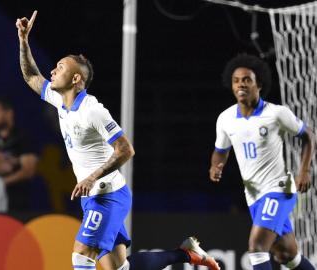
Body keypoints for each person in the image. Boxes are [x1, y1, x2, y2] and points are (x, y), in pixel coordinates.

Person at [16, 10, 220, 270]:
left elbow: (126, 149)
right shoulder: (59, 100)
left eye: (61, 67)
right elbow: (31, 76)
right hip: (94, 197)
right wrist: (24, 41)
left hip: (107, 196)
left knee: (81, 257)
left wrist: (92, 177)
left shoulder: (92, 110)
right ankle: (186, 254)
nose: (53, 70)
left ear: (76, 79)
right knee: (121, 268)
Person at [209, 53, 315, 270]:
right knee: (286, 254)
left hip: (279, 189)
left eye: (247, 79)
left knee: (257, 247)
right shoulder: (226, 119)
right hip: (254, 195)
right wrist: (215, 166)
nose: (241, 84)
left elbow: (309, 136)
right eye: (236, 80)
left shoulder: (276, 113)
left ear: (259, 84)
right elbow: (220, 150)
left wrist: (304, 171)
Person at [0, 97, 38, 211]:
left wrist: (2, 183)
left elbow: (28, 171)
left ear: (9, 113)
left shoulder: (23, 137)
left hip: (18, 202)